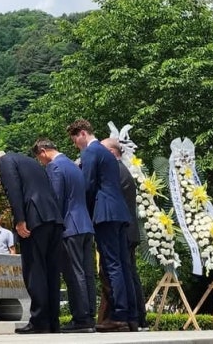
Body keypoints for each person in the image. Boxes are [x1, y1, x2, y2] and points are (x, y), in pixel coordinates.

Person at [67, 119, 137, 332]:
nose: (76, 145)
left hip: (104, 213)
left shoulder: (90, 152)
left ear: (81, 133)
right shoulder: (107, 152)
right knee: (123, 265)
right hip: (119, 212)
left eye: (74, 141)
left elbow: (87, 185)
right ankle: (132, 316)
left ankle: (118, 315)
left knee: (111, 264)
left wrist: (85, 212)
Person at [0, 150, 63, 334]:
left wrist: (20, 220)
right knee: (52, 272)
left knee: (34, 270)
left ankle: (39, 321)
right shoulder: (31, 161)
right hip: (54, 218)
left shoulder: (5, 161)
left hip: (34, 219)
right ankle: (53, 321)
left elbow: (14, 191)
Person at [32, 138, 97, 333]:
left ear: (43, 151)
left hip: (69, 227)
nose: (41, 162)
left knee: (73, 273)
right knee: (87, 273)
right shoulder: (73, 165)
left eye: (39, 159)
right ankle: (89, 315)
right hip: (85, 225)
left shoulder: (54, 167)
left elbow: (56, 199)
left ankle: (81, 318)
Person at [101, 136, 148, 330]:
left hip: (122, 230)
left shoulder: (117, 172)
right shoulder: (122, 171)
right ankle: (136, 318)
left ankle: (130, 315)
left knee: (121, 273)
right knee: (129, 274)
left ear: (112, 153)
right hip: (127, 229)